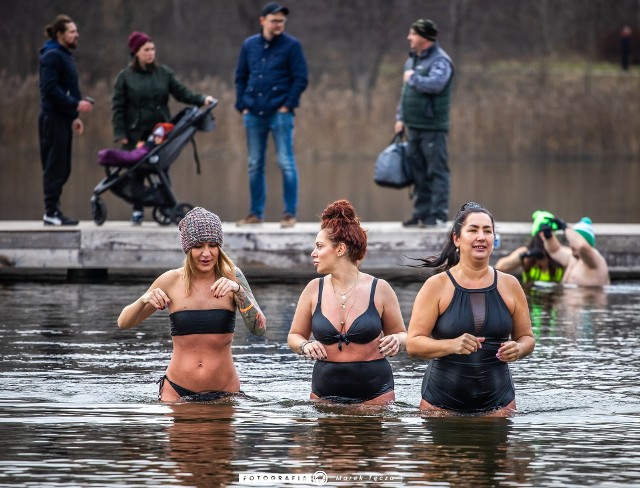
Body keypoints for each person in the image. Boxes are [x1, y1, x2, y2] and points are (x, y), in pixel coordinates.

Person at [117, 207, 267, 402]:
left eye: (212, 245)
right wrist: (143, 300)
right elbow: (123, 323)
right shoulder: (170, 280)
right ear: (188, 248)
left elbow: (259, 329)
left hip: (225, 391)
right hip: (177, 391)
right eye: (198, 246)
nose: (206, 253)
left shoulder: (232, 276)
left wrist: (238, 292)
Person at [406, 202, 535, 415]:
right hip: (440, 408)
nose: (481, 237)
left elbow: (527, 338)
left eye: (487, 231)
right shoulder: (436, 286)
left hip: (499, 407)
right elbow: (413, 344)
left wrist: (518, 349)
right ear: (457, 239)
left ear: (494, 239)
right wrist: (452, 345)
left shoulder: (510, 285)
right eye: (473, 230)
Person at [287, 199, 407, 405]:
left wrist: (397, 340)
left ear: (340, 249)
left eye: (319, 246)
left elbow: (403, 334)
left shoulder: (380, 289)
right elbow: (294, 336)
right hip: (324, 394)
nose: (313, 253)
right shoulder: (313, 289)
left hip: (375, 395)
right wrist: (305, 345)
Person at [111, 31, 215, 225]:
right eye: (146, 50)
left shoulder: (163, 73)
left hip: (159, 132)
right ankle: (137, 209)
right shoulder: (125, 77)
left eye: (153, 49)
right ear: (136, 52)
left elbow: (182, 92)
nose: (151, 53)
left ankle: (167, 204)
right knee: (137, 171)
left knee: (161, 168)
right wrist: (120, 133)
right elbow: (117, 107)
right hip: (135, 133)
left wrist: (202, 99)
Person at [234, 2, 308, 228]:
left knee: (286, 162)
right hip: (253, 113)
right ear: (263, 20)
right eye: (275, 20)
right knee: (254, 163)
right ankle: (255, 214)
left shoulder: (292, 46)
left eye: (282, 21)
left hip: (280, 113)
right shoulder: (250, 45)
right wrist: (242, 104)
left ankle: (289, 214)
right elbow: (240, 77)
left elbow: (301, 78)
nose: (279, 25)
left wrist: (288, 105)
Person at [395, 19, 454, 228]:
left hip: (433, 127)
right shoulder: (413, 60)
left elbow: (436, 85)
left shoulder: (441, 61)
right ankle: (421, 213)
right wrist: (400, 118)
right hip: (414, 126)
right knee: (418, 171)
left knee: (436, 171)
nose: (409, 38)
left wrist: (413, 79)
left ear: (425, 37)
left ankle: (437, 215)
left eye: (412, 34)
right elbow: (405, 94)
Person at [39, 14, 94, 226]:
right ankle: (51, 212)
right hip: (52, 119)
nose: (76, 34)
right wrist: (75, 105)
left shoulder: (64, 55)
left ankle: (53, 210)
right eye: (72, 31)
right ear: (60, 34)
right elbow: (49, 89)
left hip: (63, 118)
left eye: (76, 30)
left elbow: (65, 89)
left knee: (63, 167)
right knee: (54, 166)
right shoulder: (52, 56)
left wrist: (73, 117)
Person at [538, 214, 610, 287]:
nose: (571, 246)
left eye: (573, 242)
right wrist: (549, 237)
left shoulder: (595, 261)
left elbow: (582, 246)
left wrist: (566, 228)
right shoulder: (574, 258)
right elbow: (555, 251)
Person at [495, 210, 565, 284]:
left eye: (548, 235)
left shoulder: (560, 255)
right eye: (540, 236)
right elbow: (499, 267)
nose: (544, 239)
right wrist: (524, 255)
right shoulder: (526, 252)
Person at [98, 122, 173, 166]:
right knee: (129, 156)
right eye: (155, 136)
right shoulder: (151, 142)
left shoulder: (158, 146)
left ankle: (107, 156)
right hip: (143, 149)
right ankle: (107, 156)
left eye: (159, 137)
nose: (157, 138)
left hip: (144, 151)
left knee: (129, 157)